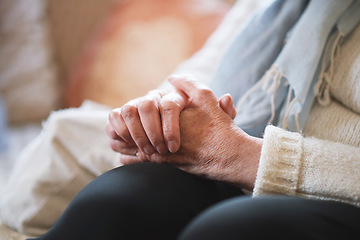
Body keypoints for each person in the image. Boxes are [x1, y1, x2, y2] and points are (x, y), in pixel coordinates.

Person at [30, 0, 360, 239]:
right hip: (241, 180)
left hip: (338, 198)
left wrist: (245, 156)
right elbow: (200, 78)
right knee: (118, 198)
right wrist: (156, 120)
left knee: (231, 230)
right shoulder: (274, 6)